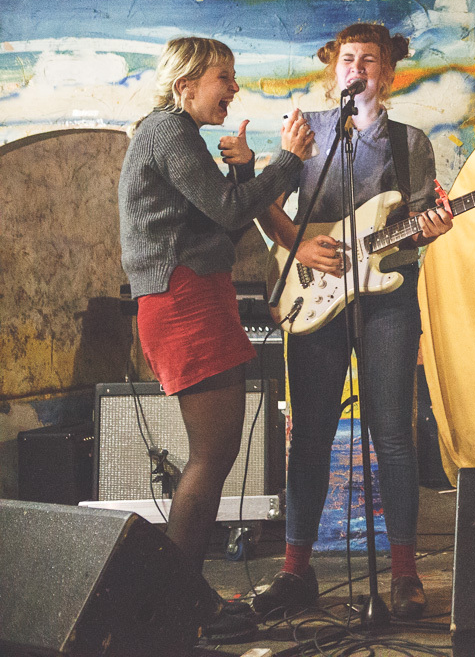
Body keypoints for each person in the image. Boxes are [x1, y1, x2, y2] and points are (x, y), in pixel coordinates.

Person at [254, 23, 453, 620]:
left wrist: (433, 228)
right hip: (314, 297)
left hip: (386, 296)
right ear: (333, 69)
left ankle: (404, 575)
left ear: (387, 74)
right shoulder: (305, 131)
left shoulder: (410, 142)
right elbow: (263, 204)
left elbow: (416, 221)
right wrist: (300, 245)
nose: (357, 69)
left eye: (370, 60)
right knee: (310, 433)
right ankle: (295, 571)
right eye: (348, 59)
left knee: (393, 432)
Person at [118, 37, 314, 639]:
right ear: (185, 85)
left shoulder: (175, 136)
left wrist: (243, 169)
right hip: (183, 302)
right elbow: (230, 214)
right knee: (212, 456)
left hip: (193, 296)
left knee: (216, 454)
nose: (232, 87)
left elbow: (218, 216)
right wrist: (288, 162)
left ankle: (185, 597)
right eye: (222, 76)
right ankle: (175, 607)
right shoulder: (169, 131)